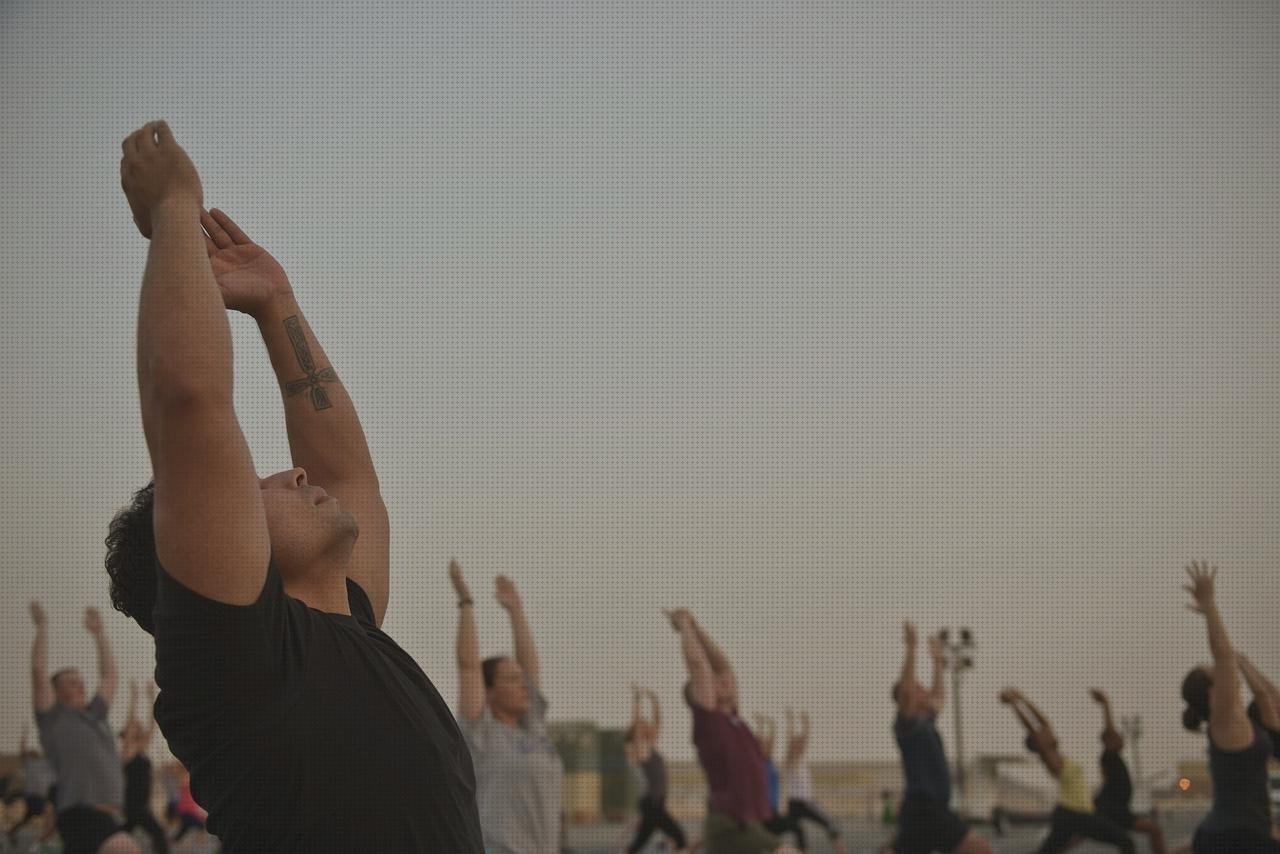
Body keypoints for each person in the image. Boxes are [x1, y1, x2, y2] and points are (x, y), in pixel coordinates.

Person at [109, 121, 482, 851]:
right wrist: (174, 211)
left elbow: (350, 478)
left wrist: (276, 303)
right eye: (255, 489)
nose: (296, 472)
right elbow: (188, 396)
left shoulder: (350, 624)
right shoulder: (234, 659)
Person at [451, 560, 565, 853]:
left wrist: (516, 611)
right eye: (512, 679)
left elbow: (531, 669)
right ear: (489, 692)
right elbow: (468, 667)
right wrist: (466, 602)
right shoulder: (481, 734)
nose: (523, 684)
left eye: (521, 679)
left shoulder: (534, 729)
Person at [666, 608, 800, 854]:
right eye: (714, 681)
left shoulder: (734, 719)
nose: (723, 679)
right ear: (705, 694)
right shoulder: (710, 720)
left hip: (746, 824)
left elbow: (723, 665)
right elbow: (698, 666)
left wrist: (697, 628)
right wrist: (684, 626)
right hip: (728, 825)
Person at [1180, 561, 1280, 853]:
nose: (1220, 668)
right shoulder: (1224, 722)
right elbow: (1222, 655)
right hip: (1232, 837)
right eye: (1212, 670)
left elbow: (1265, 697)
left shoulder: (1244, 724)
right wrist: (1210, 606)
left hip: (1243, 832)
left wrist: (1244, 661)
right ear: (1213, 693)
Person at [29, 602, 137, 854]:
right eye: (69, 681)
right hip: (80, 814)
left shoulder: (95, 715)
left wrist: (100, 634)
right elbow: (38, 673)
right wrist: (42, 628)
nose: (78, 683)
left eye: (79, 680)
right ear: (56, 692)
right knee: (126, 849)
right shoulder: (53, 719)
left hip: (107, 816)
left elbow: (109, 676)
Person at [891, 623, 990, 854]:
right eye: (919, 688)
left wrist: (937, 662)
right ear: (908, 700)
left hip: (926, 812)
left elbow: (940, 698)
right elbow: (906, 691)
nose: (924, 689)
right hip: (925, 809)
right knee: (979, 849)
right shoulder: (908, 725)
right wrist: (912, 649)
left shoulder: (925, 721)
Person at [1000, 688, 1135, 854]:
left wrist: (1023, 698)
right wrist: (1014, 704)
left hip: (1068, 815)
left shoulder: (1059, 755)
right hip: (1075, 814)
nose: (1048, 731)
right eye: (1043, 734)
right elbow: (1032, 728)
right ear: (1038, 743)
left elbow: (1042, 721)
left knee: (1047, 852)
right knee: (1126, 842)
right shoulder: (1050, 757)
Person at [1076, 689, 1165, 854]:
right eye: (1118, 736)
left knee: (1150, 833)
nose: (1122, 738)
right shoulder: (1109, 755)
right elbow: (1109, 730)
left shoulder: (1113, 760)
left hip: (1118, 810)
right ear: (1109, 741)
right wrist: (1105, 704)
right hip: (1110, 809)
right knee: (1143, 835)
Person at [624, 685, 688, 853]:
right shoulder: (640, 748)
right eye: (642, 723)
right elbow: (637, 729)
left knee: (639, 843)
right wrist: (637, 700)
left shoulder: (650, 746)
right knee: (680, 837)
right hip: (652, 804)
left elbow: (657, 721)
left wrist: (653, 699)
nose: (646, 723)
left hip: (655, 804)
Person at [774, 709, 843, 853]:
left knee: (830, 824)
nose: (800, 748)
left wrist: (806, 724)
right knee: (797, 831)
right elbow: (791, 740)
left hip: (806, 803)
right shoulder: (790, 761)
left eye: (801, 746)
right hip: (795, 804)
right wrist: (791, 721)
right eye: (796, 746)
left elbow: (804, 738)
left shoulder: (802, 760)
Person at [119, 681, 167, 854]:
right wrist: (135, 697)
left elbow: (152, 725)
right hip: (133, 802)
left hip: (141, 802)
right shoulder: (128, 750)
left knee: (123, 832)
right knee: (158, 834)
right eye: (134, 727)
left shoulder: (142, 747)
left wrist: (150, 698)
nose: (138, 726)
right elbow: (131, 722)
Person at [6, 726, 57, 846]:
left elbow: (53, 753)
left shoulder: (46, 764)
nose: (34, 752)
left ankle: (11, 832)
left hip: (38, 797)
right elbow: (22, 751)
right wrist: (24, 735)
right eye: (32, 752)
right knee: (49, 813)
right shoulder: (29, 764)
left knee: (26, 819)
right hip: (33, 797)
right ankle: (42, 841)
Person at [754, 715, 782, 819]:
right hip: (762, 806)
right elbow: (757, 743)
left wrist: (771, 726)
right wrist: (760, 725)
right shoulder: (758, 764)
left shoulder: (771, 763)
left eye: (767, 747)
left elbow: (771, 741)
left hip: (773, 804)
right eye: (763, 747)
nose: (766, 749)